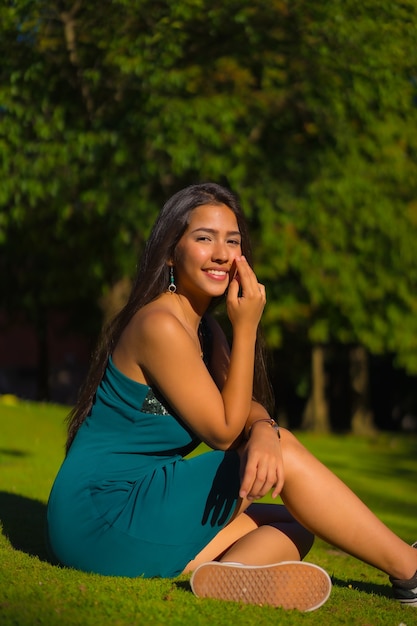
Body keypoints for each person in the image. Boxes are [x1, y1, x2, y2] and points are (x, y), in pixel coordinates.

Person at [47, 182, 417, 611]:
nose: (222, 252)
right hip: (102, 513)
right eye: (204, 238)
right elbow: (224, 431)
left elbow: (242, 408)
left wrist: (262, 428)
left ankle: (233, 577)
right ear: (170, 251)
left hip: (135, 502)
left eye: (233, 240)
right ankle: (409, 570)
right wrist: (247, 329)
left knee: (298, 521)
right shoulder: (160, 326)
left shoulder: (206, 329)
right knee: (287, 455)